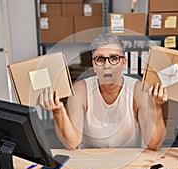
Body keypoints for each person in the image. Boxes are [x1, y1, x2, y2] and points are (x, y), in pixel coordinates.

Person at [39, 34, 168, 151]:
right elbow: (72, 143)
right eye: (100, 59)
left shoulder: (138, 90)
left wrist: (156, 108)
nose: (107, 65)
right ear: (93, 65)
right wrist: (58, 111)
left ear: (124, 63)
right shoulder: (80, 90)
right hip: (92, 163)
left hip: (130, 162)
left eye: (114, 58)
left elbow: (153, 144)